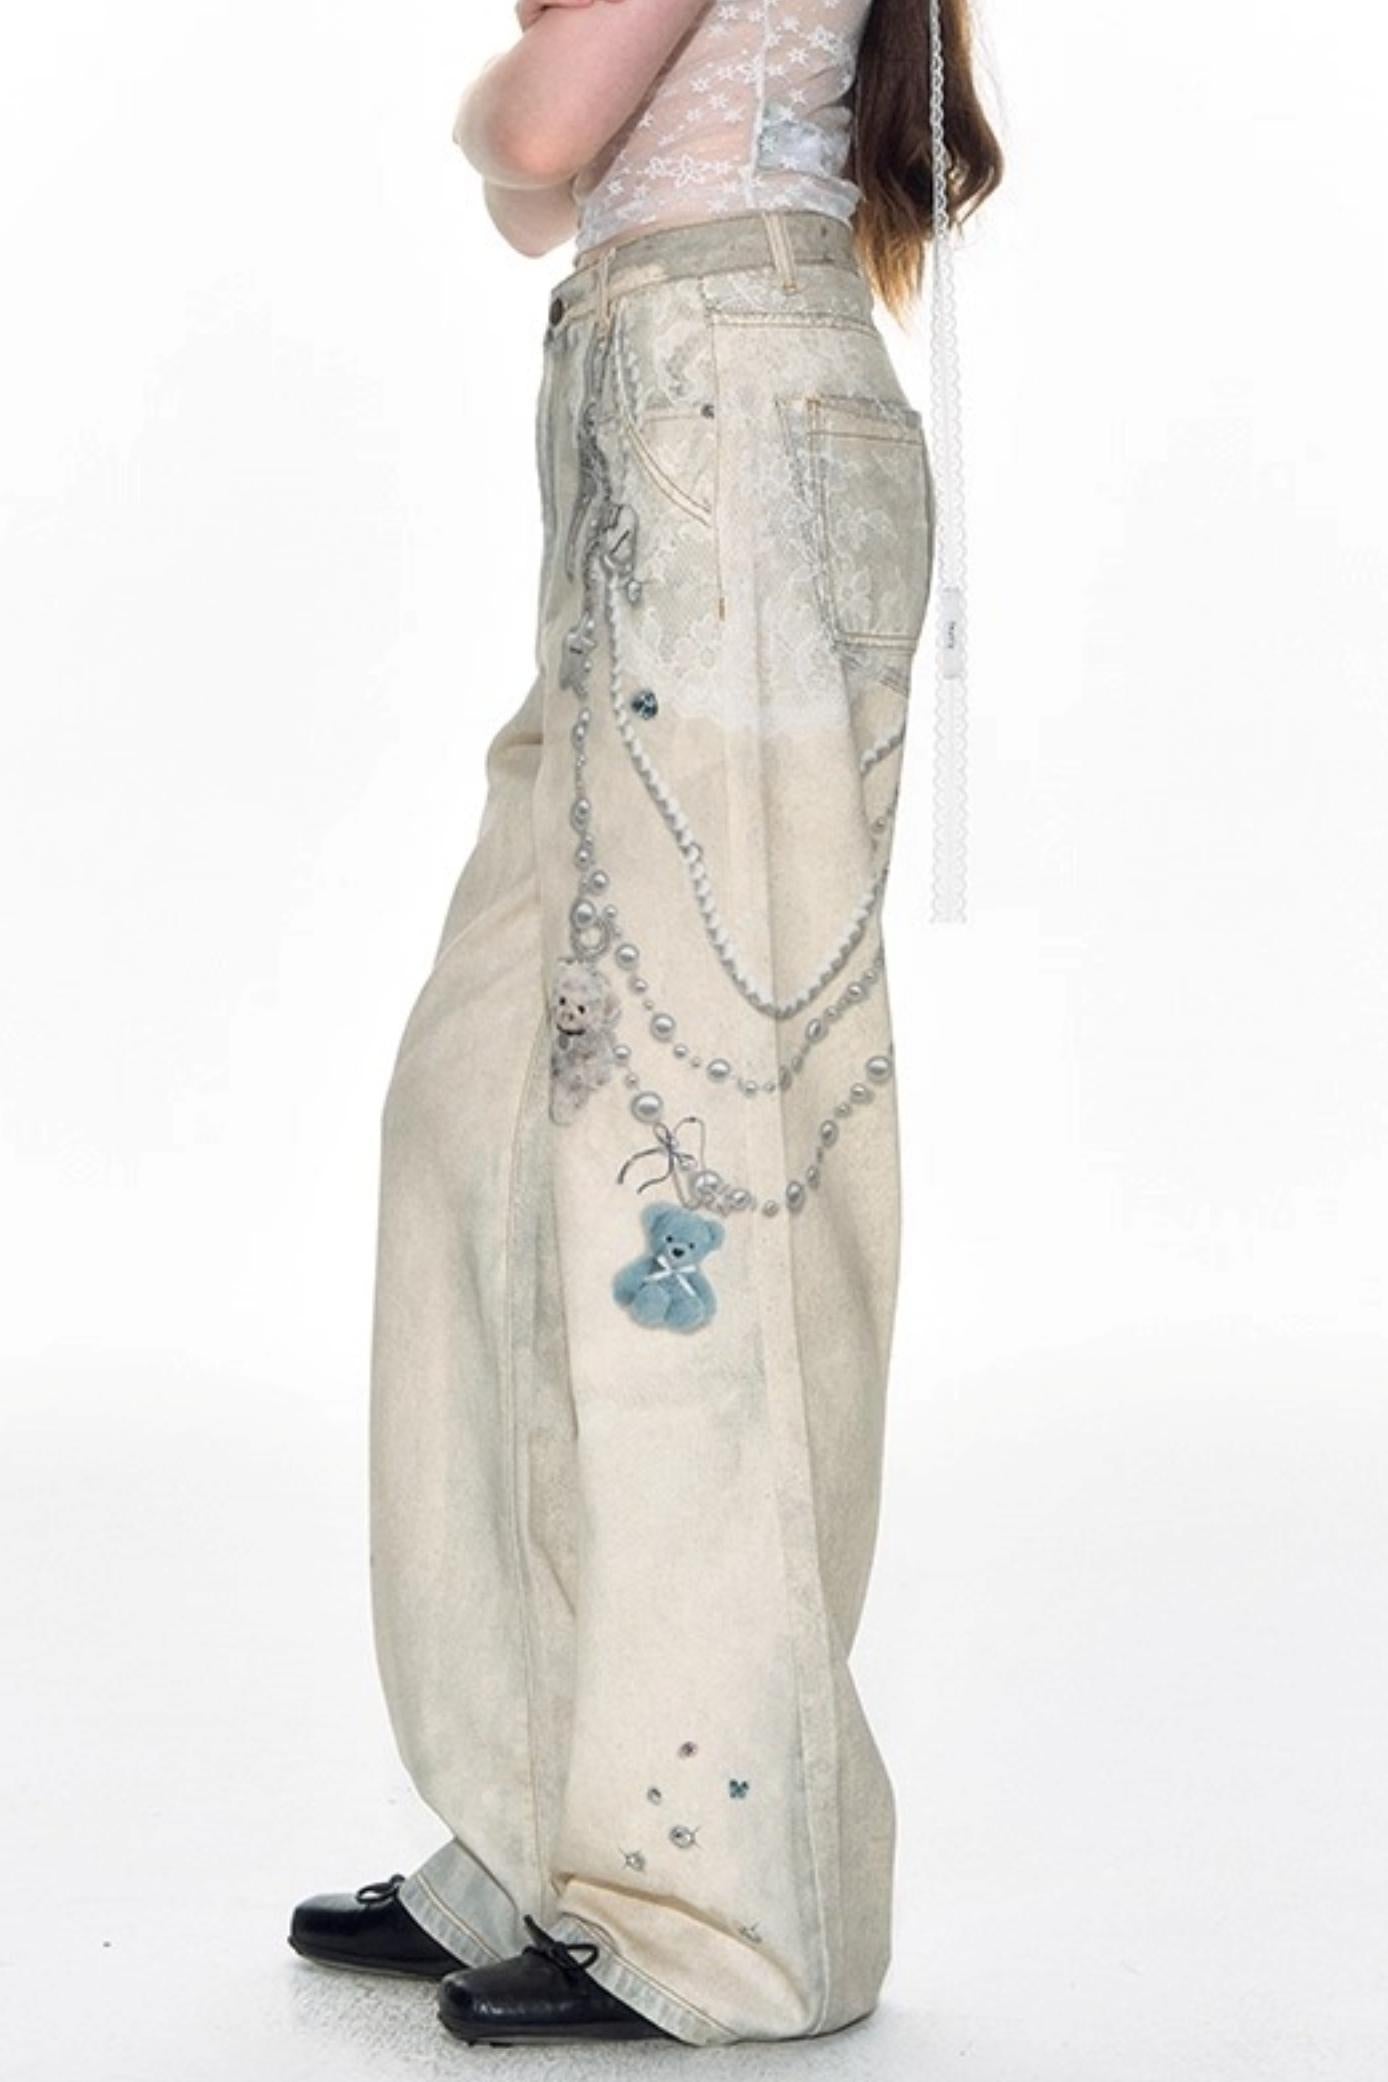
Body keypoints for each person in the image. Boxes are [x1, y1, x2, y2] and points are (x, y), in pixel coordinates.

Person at [288, 0, 1002, 2047]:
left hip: (726, 437)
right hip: (655, 421)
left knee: (692, 1188)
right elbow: (541, 197)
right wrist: (519, 136)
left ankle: (732, 1906)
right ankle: (541, 1828)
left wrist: (493, 111)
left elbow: (538, 133)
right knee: (484, 1130)